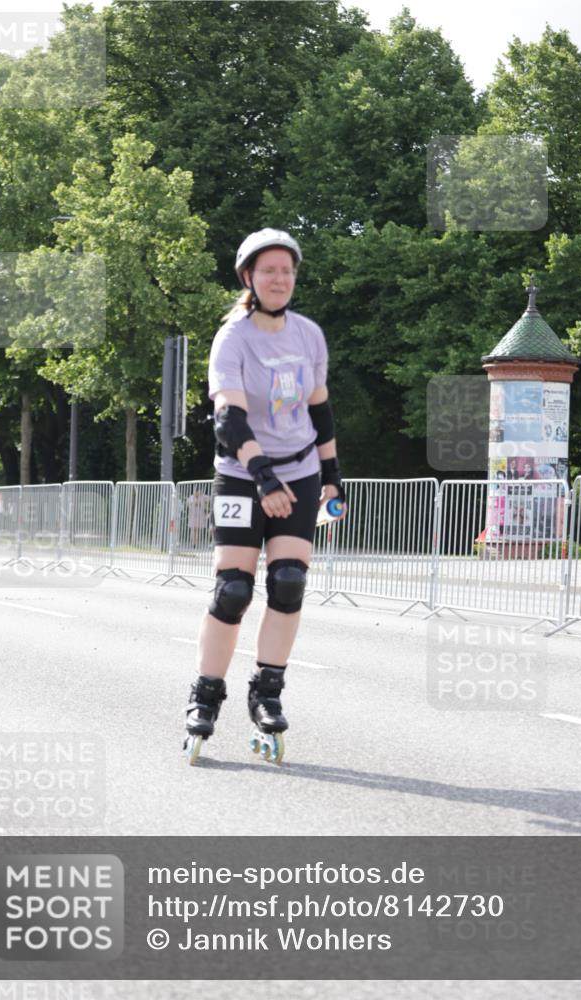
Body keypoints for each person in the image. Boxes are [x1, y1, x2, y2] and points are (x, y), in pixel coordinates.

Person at [183, 228, 346, 765]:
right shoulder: (233, 338)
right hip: (241, 472)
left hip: (300, 472)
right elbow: (228, 419)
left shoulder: (309, 335)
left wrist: (332, 475)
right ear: (249, 277)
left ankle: (267, 692)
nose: (280, 279)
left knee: (288, 582)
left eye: (287, 270)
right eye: (269, 270)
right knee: (233, 589)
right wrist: (264, 479)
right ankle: (205, 694)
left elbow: (319, 410)